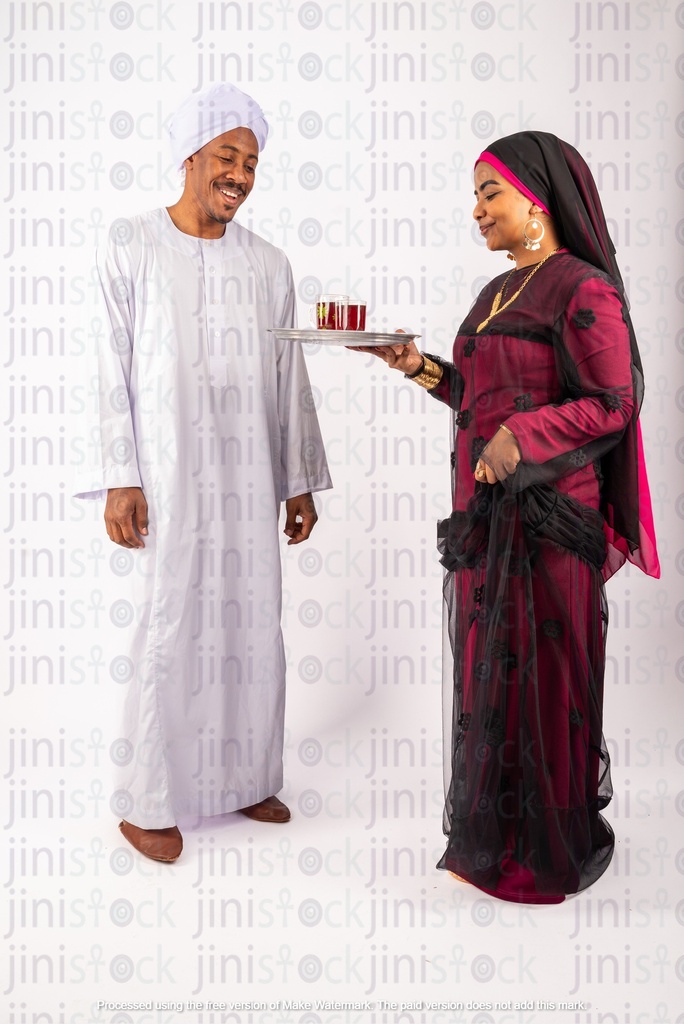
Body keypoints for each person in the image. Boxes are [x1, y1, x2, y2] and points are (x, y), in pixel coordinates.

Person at [361, 131, 659, 904]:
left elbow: (613, 403)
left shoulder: (580, 287)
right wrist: (421, 367)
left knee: (545, 674)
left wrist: (521, 438)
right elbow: (481, 398)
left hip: (551, 519)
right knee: (491, 674)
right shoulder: (494, 293)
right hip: (487, 516)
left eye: (488, 193)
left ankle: (545, 850)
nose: (476, 211)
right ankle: (495, 838)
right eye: (475, 196)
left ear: (536, 198)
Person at [75, 84, 332, 862]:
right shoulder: (130, 245)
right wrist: (123, 475)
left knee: (253, 624)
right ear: (190, 157)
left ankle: (245, 776)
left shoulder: (269, 264)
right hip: (172, 476)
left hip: (250, 473)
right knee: (172, 624)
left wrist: (298, 478)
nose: (242, 175)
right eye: (228, 157)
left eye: (252, 163)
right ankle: (147, 797)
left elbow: (289, 375)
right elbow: (106, 368)